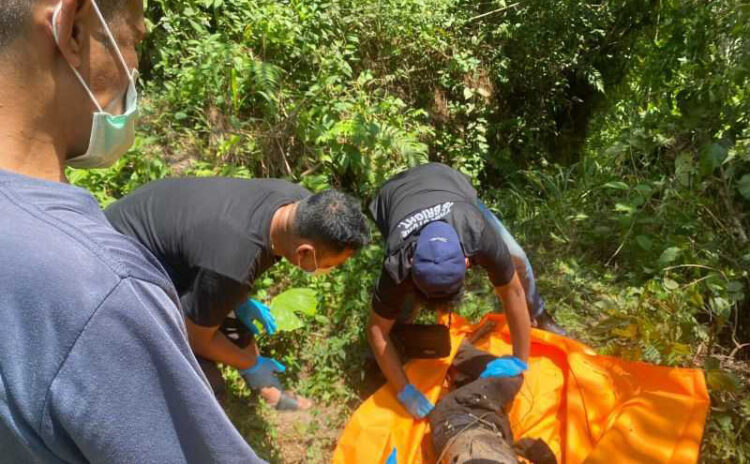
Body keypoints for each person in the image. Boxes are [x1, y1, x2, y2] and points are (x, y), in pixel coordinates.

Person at [0, 0, 266, 462]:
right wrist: (252, 362)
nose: (135, 69)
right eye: (135, 42)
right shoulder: (97, 290)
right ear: (74, 29)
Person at [105, 177, 370, 410]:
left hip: (158, 224)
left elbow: (228, 272)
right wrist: (250, 363)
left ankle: (270, 392)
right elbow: (196, 337)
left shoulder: (297, 205)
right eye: (330, 265)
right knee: (207, 389)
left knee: (225, 303)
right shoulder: (232, 264)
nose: (330, 270)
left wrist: (239, 301)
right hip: (116, 261)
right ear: (304, 253)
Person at [366, 163, 564, 420]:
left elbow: (513, 292)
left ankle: (539, 313)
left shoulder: (477, 230)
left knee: (517, 258)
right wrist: (404, 390)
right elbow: (376, 330)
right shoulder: (398, 260)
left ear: (468, 260)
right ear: (412, 263)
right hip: (397, 195)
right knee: (397, 315)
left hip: (449, 185)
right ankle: (389, 350)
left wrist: (519, 360)